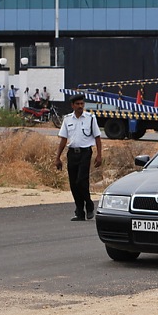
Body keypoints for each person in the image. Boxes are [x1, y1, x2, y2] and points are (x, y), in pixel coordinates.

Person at [55, 93, 102, 221]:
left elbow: (97, 137)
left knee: (81, 181)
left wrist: (99, 155)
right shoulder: (67, 119)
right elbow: (63, 139)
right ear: (72, 105)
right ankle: (80, 211)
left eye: (82, 104)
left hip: (85, 153)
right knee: (73, 184)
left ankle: (89, 204)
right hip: (72, 153)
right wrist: (57, 157)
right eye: (78, 104)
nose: (80, 106)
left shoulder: (90, 118)